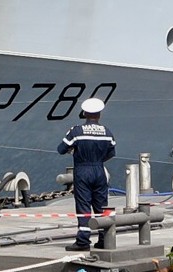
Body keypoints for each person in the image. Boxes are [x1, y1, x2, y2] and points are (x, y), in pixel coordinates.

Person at [57, 97, 115, 251]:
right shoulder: (107, 132)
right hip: (99, 169)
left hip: (83, 170)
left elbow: (61, 149)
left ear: (84, 113)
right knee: (102, 205)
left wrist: (75, 150)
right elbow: (111, 152)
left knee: (83, 205)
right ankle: (104, 239)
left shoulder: (76, 131)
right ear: (100, 114)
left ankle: (83, 241)